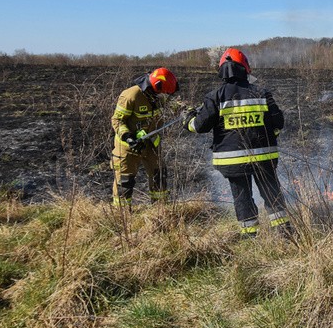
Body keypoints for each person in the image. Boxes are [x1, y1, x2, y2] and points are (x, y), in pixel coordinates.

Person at [183, 48, 292, 239]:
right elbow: (278, 123)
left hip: (232, 160)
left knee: (242, 196)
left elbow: (199, 126)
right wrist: (268, 135)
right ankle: (284, 233)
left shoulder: (215, 96)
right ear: (245, 68)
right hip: (265, 156)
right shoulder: (262, 93)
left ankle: (251, 237)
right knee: (271, 192)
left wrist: (188, 120)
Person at [111, 67, 179, 208]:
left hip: (151, 143)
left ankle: (160, 211)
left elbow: (175, 106)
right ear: (155, 87)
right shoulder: (131, 96)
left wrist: (188, 110)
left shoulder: (157, 96)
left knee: (159, 175)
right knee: (125, 181)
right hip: (128, 145)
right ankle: (122, 216)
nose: (164, 97)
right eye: (163, 93)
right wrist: (128, 137)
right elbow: (117, 120)